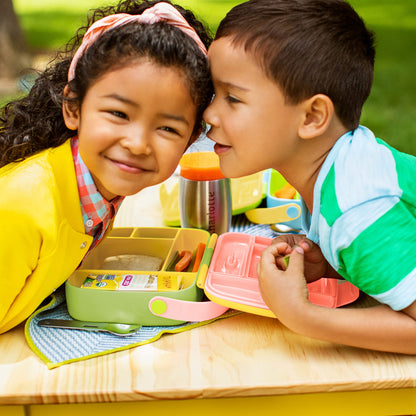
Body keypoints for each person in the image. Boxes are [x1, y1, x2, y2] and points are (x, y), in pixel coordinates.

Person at [203, 0, 416, 354]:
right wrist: (333, 265)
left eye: (233, 98)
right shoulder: (345, 165)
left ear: (312, 117)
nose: (210, 112)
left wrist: (299, 315)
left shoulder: (355, 212)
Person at [0, 0, 213, 334]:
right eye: (118, 114)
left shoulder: (99, 188)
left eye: (168, 128)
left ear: (191, 139)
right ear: (72, 107)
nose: (137, 144)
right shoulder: (21, 209)